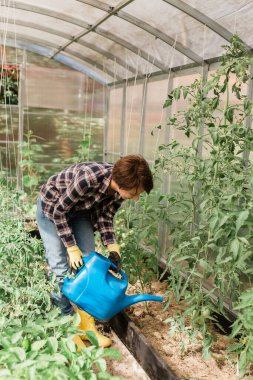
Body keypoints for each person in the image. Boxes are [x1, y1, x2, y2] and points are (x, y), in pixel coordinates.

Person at [36, 154, 153, 348]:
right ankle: (67, 324)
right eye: (136, 192)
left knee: (89, 263)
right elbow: (59, 212)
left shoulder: (118, 192)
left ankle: (86, 324)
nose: (137, 197)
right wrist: (71, 247)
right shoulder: (88, 178)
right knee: (59, 266)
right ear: (123, 183)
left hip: (80, 211)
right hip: (52, 208)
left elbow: (105, 216)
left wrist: (112, 246)